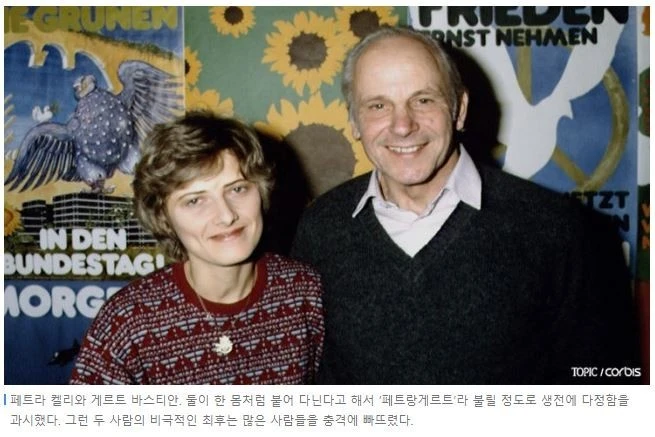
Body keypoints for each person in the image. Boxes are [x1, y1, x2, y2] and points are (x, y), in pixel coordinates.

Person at [290, 26, 639, 384]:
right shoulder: (319, 229)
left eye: (424, 100)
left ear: (460, 110)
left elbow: (606, 383)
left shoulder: (558, 229)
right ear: (354, 121)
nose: (403, 125)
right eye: (378, 106)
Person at [71, 111, 324, 384]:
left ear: (261, 191)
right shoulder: (128, 321)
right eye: (194, 201)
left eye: (237, 189)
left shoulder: (305, 292)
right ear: (163, 217)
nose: (226, 215)